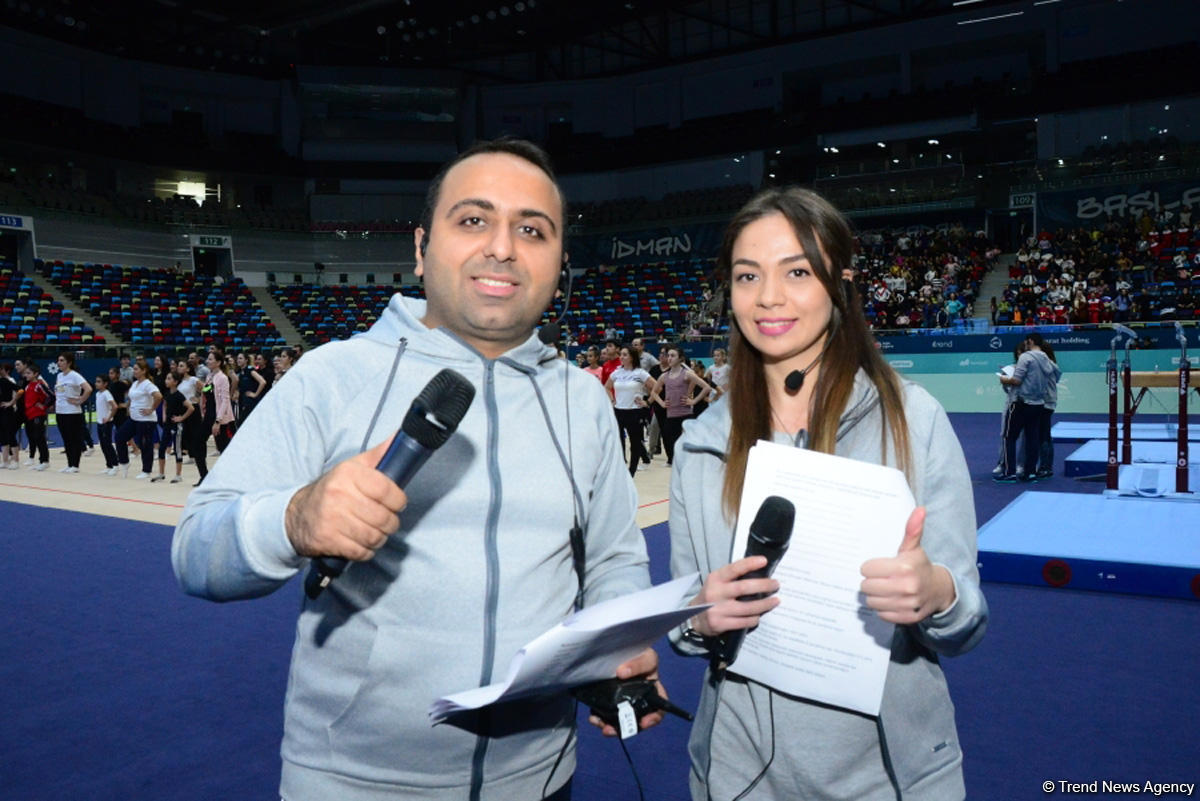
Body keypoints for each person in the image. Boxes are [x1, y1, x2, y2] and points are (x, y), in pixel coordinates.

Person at [172, 138, 659, 801]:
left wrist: (615, 637)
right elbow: (195, 551)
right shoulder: (332, 376)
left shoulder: (582, 399)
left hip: (543, 777)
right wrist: (291, 519)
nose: (503, 247)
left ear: (560, 262)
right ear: (421, 246)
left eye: (532, 229)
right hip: (356, 785)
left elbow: (612, 559)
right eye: (473, 219)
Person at [668, 187, 987, 801]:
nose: (768, 297)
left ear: (839, 282)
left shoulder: (913, 421)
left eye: (796, 271)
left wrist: (937, 591)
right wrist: (701, 615)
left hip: (889, 777)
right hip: (737, 774)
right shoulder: (702, 445)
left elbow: (967, 620)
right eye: (746, 275)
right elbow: (686, 616)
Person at [998, 333, 1060, 483]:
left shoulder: (1026, 357)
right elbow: (1056, 375)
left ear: (1030, 342)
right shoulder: (1047, 359)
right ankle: (1030, 472)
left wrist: (1004, 379)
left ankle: (1009, 472)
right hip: (1038, 403)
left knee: (1009, 437)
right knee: (1033, 438)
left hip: (1021, 403)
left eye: (1026, 343)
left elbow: (1017, 381)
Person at [647, 344, 713, 466]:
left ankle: (692, 463)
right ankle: (674, 461)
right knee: (671, 440)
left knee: (687, 442)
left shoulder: (687, 374)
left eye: (673, 356)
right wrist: (662, 403)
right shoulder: (664, 376)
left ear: (680, 359)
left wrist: (693, 401)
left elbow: (707, 387)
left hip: (685, 414)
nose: (670, 358)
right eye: (668, 356)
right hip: (671, 415)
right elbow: (654, 392)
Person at [604, 344, 656, 477]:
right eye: (621, 354)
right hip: (619, 411)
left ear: (632, 357)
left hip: (635, 411)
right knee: (617, 441)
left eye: (625, 354)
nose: (621, 357)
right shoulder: (617, 372)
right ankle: (620, 467)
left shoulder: (640, 373)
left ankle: (631, 470)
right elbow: (607, 387)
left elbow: (657, 387)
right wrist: (612, 400)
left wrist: (647, 401)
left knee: (635, 442)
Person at [54, 352, 91, 473]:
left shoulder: (75, 375)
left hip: (72, 412)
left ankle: (75, 465)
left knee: (74, 438)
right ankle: (69, 464)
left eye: (62, 360)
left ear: (69, 362)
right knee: (66, 439)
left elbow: (88, 389)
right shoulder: (59, 376)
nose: (59, 363)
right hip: (60, 412)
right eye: (58, 360)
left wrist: (80, 400)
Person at [128, 357, 163, 479]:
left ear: (143, 371)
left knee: (146, 444)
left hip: (147, 419)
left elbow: (158, 396)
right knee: (138, 442)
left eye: (136, 369)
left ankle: (146, 470)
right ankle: (126, 462)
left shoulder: (148, 384)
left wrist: (151, 409)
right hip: (136, 418)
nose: (134, 371)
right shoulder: (134, 383)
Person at [21, 363, 52, 470]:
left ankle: (44, 460)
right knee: (32, 437)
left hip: (38, 414)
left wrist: (44, 406)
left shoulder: (39, 385)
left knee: (40, 437)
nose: (26, 375)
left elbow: (51, 396)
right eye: (26, 373)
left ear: (36, 374)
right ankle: (34, 458)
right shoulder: (28, 386)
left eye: (29, 373)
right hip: (29, 415)